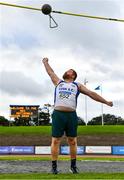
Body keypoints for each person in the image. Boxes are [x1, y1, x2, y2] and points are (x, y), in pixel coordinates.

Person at [42, 57, 113, 174]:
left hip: (71, 115)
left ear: (73, 76)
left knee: (73, 141)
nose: (67, 71)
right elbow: (50, 73)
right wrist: (45, 62)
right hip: (58, 114)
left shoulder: (77, 85)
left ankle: (73, 166)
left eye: (70, 70)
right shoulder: (58, 82)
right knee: (55, 141)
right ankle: (54, 167)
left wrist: (105, 101)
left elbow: (91, 93)